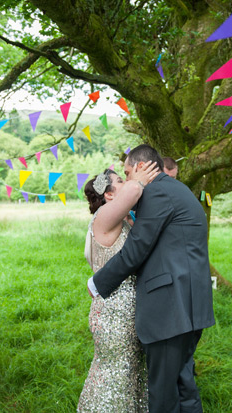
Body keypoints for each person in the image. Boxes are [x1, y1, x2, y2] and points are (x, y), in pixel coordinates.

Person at [88, 144, 215, 413]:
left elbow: (136, 249)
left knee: (163, 393)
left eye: (126, 173)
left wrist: (97, 283)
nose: (128, 181)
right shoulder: (175, 189)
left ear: (141, 167)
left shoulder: (157, 192)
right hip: (187, 304)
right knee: (182, 383)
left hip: (171, 308)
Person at [78, 161, 160, 412]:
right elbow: (135, 191)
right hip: (113, 313)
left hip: (129, 312)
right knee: (115, 373)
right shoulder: (103, 216)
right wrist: (141, 176)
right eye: (121, 180)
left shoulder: (122, 220)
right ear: (109, 194)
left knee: (131, 373)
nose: (128, 183)